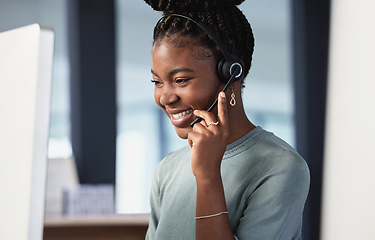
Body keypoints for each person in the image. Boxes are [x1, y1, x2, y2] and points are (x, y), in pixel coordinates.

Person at [143, 0, 310, 239]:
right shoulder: (167, 170)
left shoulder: (280, 167)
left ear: (231, 73)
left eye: (180, 80)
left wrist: (208, 176)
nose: (164, 98)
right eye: (157, 82)